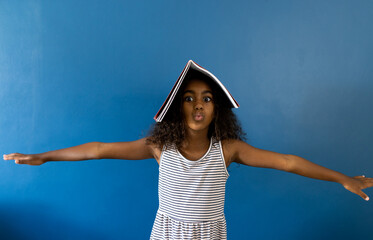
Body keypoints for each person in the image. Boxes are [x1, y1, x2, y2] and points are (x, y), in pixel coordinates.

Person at [3, 61, 373, 240]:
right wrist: (45, 155)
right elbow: (98, 149)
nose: (198, 105)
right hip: (168, 233)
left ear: (216, 109)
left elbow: (289, 162)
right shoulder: (159, 147)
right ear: (177, 107)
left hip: (210, 233)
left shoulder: (229, 150)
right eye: (189, 98)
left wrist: (343, 179)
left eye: (207, 98)